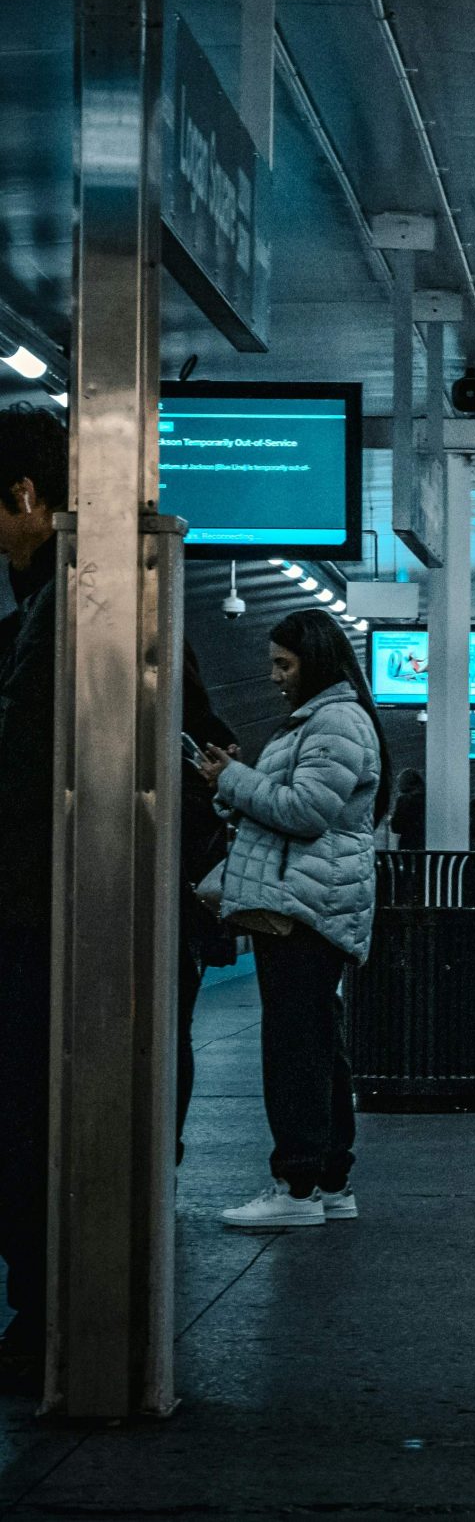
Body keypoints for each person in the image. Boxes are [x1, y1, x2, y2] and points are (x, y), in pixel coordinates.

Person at [194, 607, 388, 1231]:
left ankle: (295, 1185)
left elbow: (306, 811)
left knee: (294, 1045)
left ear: (316, 661)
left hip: (309, 903)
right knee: (317, 1042)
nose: (275, 676)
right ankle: (329, 1179)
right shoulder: (325, 719)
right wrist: (238, 779)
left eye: (284, 663)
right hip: (312, 897)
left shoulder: (334, 720)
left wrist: (234, 779)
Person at [0, 404, 64, 1391]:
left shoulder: (67, 610)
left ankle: (45, 1316)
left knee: (28, 1111)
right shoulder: (46, 605)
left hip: (39, 914)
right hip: (38, 907)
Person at [177, 644, 239, 1169]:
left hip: (179, 900)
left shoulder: (197, 737)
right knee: (173, 1029)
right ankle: (162, 1152)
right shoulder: (209, 730)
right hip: (189, 905)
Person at [387, 768, 426, 850]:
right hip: (424, 844)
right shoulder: (427, 800)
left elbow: (396, 827)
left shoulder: (403, 800)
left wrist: (391, 820)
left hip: (408, 845)